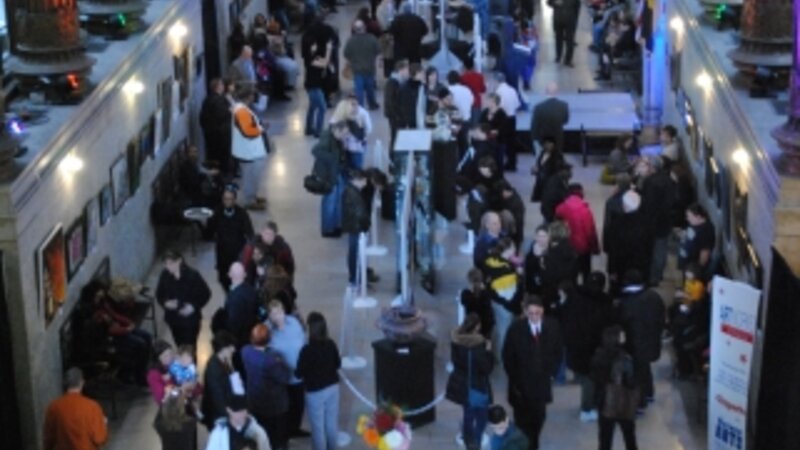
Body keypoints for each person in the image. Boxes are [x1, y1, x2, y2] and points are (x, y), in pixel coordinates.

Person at [502, 295, 563, 450]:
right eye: (531, 313)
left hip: (541, 385)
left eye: (537, 313)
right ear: (526, 312)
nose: (534, 316)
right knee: (523, 424)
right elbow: (508, 356)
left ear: (542, 311)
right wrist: (516, 380)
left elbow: (557, 352)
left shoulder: (552, 326)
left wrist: (552, 373)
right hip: (521, 387)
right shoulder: (516, 329)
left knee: (538, 420)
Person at [559, 279, 608, 422]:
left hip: (580, 351)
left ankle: (588, 408)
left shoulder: (572, 305)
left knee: (588, 381)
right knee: (592, 381)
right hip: (592, 350)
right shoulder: (595, 305)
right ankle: (591, 407)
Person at [616, 270, 665, 412]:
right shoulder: (654, 297)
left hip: (636, 343)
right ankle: (649, 393)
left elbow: (622, 320)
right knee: (645, 367)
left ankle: (640, 402)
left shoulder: (627, 302)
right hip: (652, 340)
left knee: (637, 373)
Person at [446, 313, 494, 450]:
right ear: (477, 327)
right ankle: (475, 442)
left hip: (461, 385)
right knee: (481, 417)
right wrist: (489, 351)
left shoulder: (456, 341)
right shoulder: (478, 346)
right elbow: (486, 368)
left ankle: (468, 439)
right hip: (477, 385)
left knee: (467, 413)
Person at [296, 312, 342, 450]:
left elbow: (299, 373)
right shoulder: (330, 344)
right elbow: (338, 364)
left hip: (315, 392)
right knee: (331, 424)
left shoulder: (306, 350)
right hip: (333, 388)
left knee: (318, 428)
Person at [241, 324, 291, 450]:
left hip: (255, 403)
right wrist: (281, 360)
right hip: (274, 406)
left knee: (261, 436)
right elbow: (285, 377)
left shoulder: (245, 351)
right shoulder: (271, 361)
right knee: (276, 438)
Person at [266, 300, 311, 439]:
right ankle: (284, 434)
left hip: (298, 375)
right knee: (285, 408)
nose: (278, 316)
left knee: (299, 405)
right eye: (274, 314)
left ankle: (295, 429)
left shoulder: (293, 323)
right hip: (282, 378)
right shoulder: (267, 330)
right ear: (270, 316)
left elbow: (304, 340)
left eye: (279, 312)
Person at [590, 326, 640, 450]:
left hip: (604, 401)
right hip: (623, 403)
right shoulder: (624, 357)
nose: (624, 338)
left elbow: (593, 377)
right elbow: (631, 381)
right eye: (622, 335)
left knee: (605, 438)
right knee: (629, 437)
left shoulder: (598, 355)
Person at [155, 250, 211, 348]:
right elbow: (159, 294)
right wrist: (165, 303)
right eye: (165, 264)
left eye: (171, 263)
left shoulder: (193, 275)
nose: (168, 266)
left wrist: (193, 307)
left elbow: (206, 294)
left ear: (179, 261)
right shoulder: (165, 275)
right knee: (180, 346)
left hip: (190, 321)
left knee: (190, 349)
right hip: (173, 320)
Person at [43, 368, 108, 450]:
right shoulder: (92, 406)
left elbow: (48, 440)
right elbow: (99, 439)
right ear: (82, 383)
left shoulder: (53, 407)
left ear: (65, 384)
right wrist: (103, 424)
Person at [209, 187, 255, 291]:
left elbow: (250, 233)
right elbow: (210, 231)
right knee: (224, 280)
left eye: (230, 199)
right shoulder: (217, 212)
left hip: (237, 253)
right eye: (225, 199)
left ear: (234, 200)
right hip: (222, 254)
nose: (227, 201)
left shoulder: (242, 214)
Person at [640, 156, 676, 286]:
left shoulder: (649, 181)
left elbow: (646, 203)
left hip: (651, 221)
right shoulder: (670, 181)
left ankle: (650, 276)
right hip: (665, 221)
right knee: (661, 249)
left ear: (653, 167)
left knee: (650, 249)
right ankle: (658, 276)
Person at [230, 87, 269, 210]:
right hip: (249, 152)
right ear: (248, 97)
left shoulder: (240, 109)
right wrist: (262, 129)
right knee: (250, 176)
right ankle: (249, 200)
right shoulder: (241, 111)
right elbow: (248, 131)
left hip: (248, 150)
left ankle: (253, 196)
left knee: (252, 176)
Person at [312, 121, 351, 236]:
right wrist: (333, 159)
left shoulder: (337, 139)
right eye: (344, 134)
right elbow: (315, 151)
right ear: (336, 130)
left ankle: (337, 225)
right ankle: (328, 229)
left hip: (336, 172)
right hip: (327, 174)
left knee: (338, 199)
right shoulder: (327, 138)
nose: (345, 136)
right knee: (330, 201)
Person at [555, 183, 600, 281]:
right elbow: (590, 231)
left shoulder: (560, 208)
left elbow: (557, 229)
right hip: (583, 248)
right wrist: (594, 248)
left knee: (570, 274)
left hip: (567, 247)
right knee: (586, 271)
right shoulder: (585, 210)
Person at [201, 331, 240, 430]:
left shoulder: (225, 360)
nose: (234, 349)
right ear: (223, 348)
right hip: (217, 415)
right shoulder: (213, 369)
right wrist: (231, 414)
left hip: (226, 408)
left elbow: (236, 384)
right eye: (231, 347)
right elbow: (217, 397)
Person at [205, 395, 271, 450]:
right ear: (228, 410)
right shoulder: (218, 433)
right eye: (236, 411)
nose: (240, 414)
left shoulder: (258, 432)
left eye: (242, 411)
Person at [342, 168, 370, 288]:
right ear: (357, 180)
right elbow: (361, 213)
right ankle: (355, 279)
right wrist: (366, 225)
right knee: (355, 253)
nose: (365, 183)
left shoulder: (349, 191)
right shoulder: (355, 195)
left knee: (354, 252)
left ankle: (356, 278)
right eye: (364, 180)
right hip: (356, 227)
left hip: (352, 226)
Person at [344, 20, 381, 109]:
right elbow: (378, 51)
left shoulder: (351, 41)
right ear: (364, 27)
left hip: (357, 69)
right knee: (370, 88)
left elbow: (346, 54)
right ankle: (372, 104)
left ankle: (359, 106)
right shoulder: (372, 38)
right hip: (370, 67)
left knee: (358, 89)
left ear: (354, 29)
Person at [200, 78, 234, 176]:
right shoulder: (218, 100)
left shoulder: (207, 99)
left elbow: (202, 119)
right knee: (223, 157)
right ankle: (224, 176)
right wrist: (230, 111)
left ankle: (218, 174)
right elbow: (222, 114)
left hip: (211, 134)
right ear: (218, 87)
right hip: (221, 135)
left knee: (214, 156)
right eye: (222, 85)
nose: (223, 87)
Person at [225, 262, 261, 348]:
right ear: (245, 275)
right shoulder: (251, 290)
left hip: (239, 340)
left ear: (230, 275)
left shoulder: (234, 298)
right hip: (252, 334)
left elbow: (233, 322)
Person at [303, 39, 334, 137]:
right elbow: (324, 64)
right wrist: (329, 50)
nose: (315, 46)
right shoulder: (309, 59)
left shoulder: (315, 57)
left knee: (312, 107)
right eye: (313, 45)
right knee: (322, 108)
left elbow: (325, 62)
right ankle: (318, 131)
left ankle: (308, 129)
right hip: (314, 86)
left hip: (315, 85)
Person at [678, 203, 715, 279]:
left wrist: (697, 270)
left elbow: (705, 253)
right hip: (686, 266)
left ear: (698, 217)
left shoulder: (705, 231)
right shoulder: (695, 224)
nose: (687, 219)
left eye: (689, 216)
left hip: (693, 270)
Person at [178, 144, 222, 209]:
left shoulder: (194, 164)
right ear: (187, 154)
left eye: (195, 152)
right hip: (193, 195)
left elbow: (200, 171)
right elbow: (194, 183)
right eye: (191, 152)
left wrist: (208, 173)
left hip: (198, 191)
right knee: (215, 197)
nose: (194, 154)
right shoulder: (185, 167)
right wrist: (207, 175)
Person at [530, 83, 570, 154]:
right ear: (557, 92)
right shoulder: (564, 105)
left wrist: (534, 139)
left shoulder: (539, 107)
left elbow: (534, 125)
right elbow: (565, 121)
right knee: (556, 158)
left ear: (546, 92)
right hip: (558, 137)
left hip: (543, 137)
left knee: (545, 158)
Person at [460, 268, 495, 340]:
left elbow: (464, 303)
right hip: (485, 327)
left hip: (471, 326)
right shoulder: (486, 293)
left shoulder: (466, 294)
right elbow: (489, 312)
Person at [384, 60, 409, 153]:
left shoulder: (400, 82)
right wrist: (398, 116)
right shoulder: (393, 83)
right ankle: (393, 159)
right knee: (395, 138)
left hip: (397, 116)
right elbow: (391, 102)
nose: (408, 72)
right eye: (406, 70)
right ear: (401, 70)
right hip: (395, 117)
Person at [549, 0, 580, 66]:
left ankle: (568, 59)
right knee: (558, 38)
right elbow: (549, 2)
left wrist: (575, 19)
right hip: (558, 18)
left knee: (570, 40)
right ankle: (558, 56)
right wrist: (555, 3)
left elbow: (577, 6)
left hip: (570, 19)